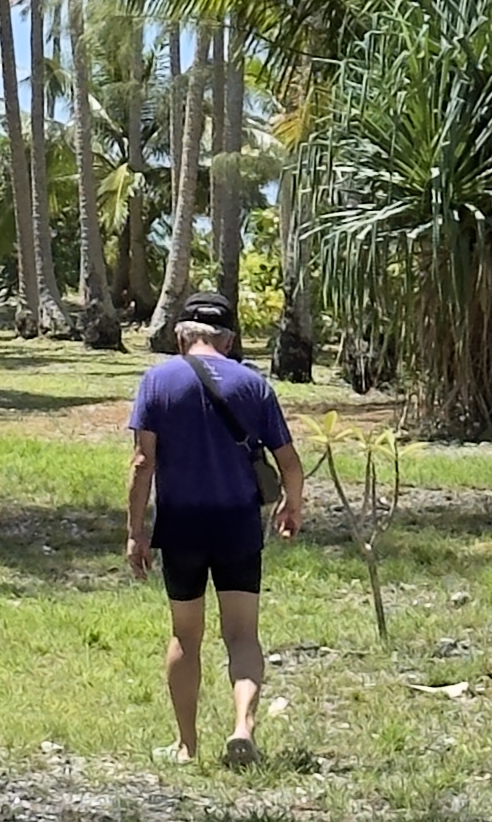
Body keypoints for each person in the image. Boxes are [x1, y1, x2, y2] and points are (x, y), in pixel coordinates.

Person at [124, 290, 305, 767]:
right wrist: (292, 506)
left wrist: (135, 531)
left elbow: (142, 463)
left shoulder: (157, 382)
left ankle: (186, 746)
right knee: (242, 635)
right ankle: (243, 727)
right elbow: (289, 462)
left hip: (181, 523)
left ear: (180, 335)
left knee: (186, 636)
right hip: (237, 523)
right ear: (227, 339)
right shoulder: (255, 385)